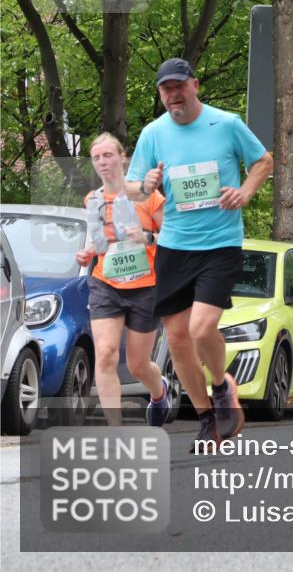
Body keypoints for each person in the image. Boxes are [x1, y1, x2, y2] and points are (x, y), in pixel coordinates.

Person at [126, 58, 274, 452]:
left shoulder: (225, 124)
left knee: (200, 328)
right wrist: (146, 183)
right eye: (165, 89)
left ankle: (222, 384)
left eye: (178, 86)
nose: (172, 95)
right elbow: (131, 189)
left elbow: (264, 161)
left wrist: (244, 192)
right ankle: (208, 418)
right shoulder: (153, 133)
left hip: (220, 244)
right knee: (176, 340)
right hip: (174, 245)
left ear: (194, 85)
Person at [74, 133, 170, 426]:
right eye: (96, 157)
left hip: (145, 288)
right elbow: (101, 243)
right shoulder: (93, 199)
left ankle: (159, 391)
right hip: (106, 285)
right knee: (104, 354)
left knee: (138, 365)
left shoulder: (150, 197)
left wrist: (148, 237)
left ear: (122, 157)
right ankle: (115, 431)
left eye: (108, 155)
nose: (103, 162)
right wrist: (88, 252)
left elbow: (176, 239)